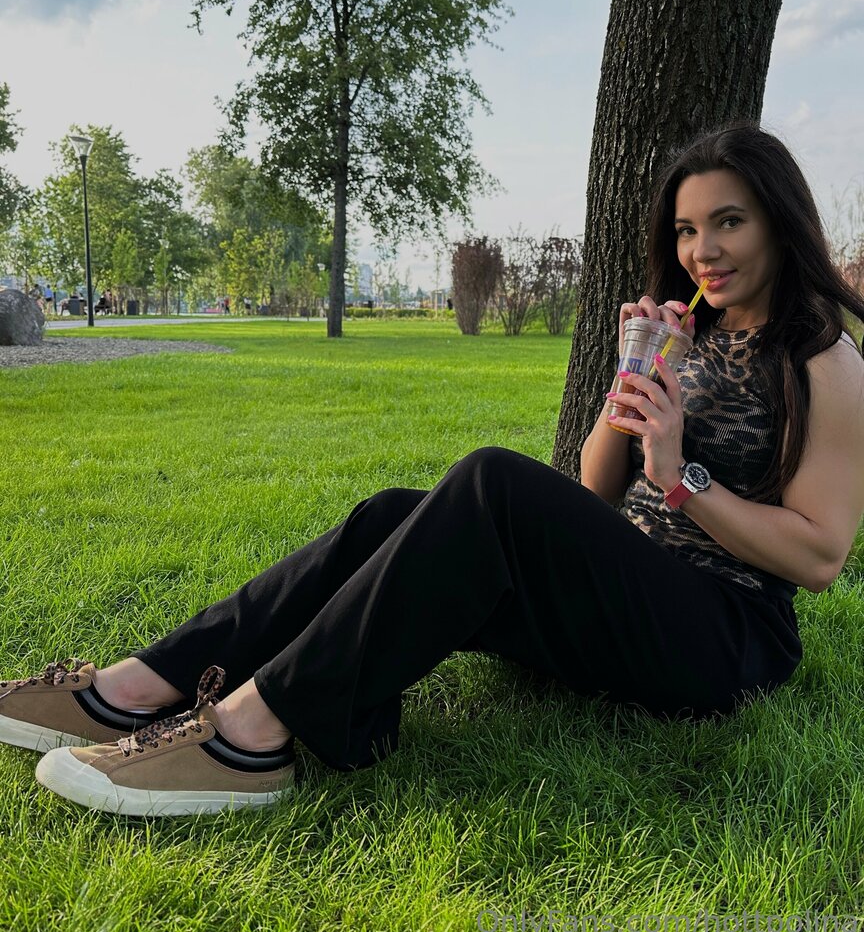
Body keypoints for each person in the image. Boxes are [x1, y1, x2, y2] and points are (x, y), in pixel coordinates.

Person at [2, 122, 863, 819]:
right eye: (686, 229)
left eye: (728, 222)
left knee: (493, 481)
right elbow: (597, 487)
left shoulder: (824, 362)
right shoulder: (688, 332)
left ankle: (250, 736)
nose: (703, 249)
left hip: (724, 637)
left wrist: (680, 479)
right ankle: (137, 687)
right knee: (391, 514)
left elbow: (820, 557)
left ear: (779, 221)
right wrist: (630, 382)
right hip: (628, 594)